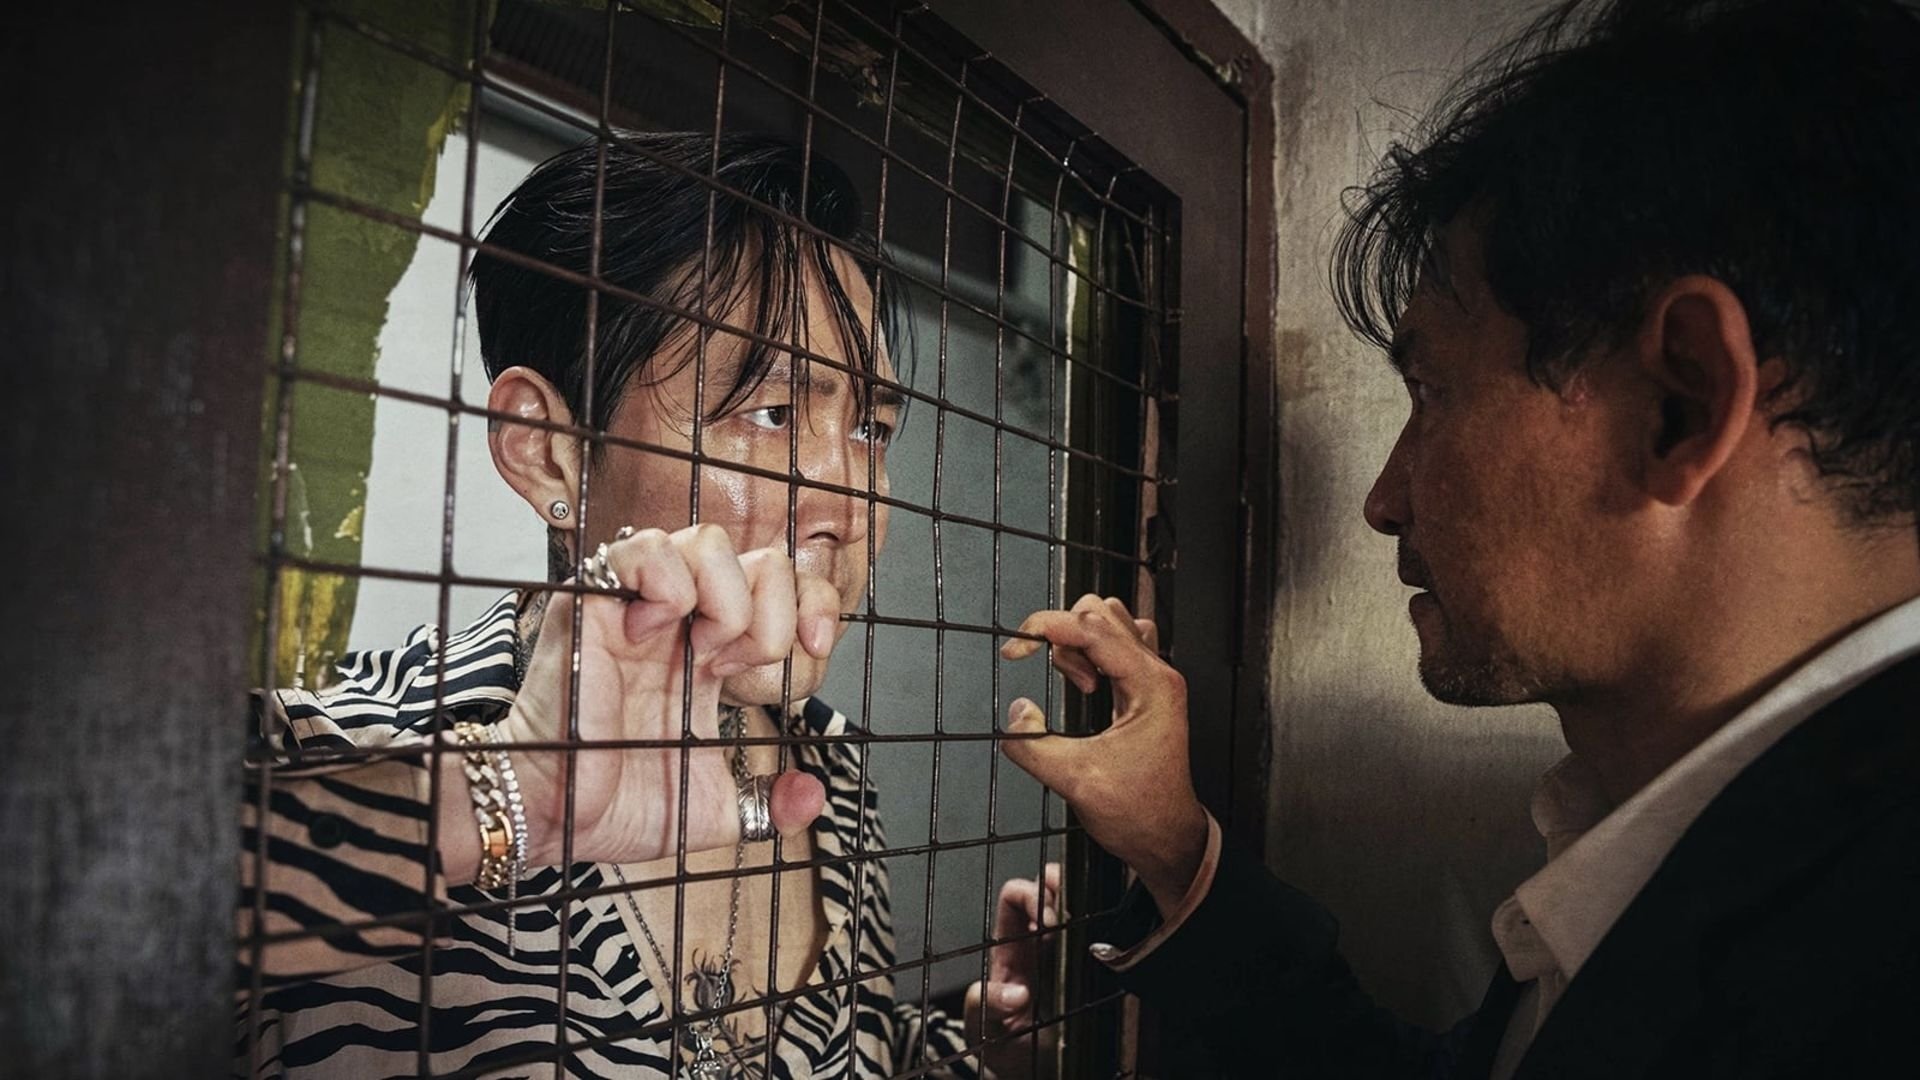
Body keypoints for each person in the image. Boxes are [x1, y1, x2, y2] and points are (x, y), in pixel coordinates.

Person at [988, 1, 1920, 1076]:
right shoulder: (1703, 841)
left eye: (1431, 390)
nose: (1384, 501)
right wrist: (1175, 849)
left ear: (1683, 400)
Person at [236, 132, 1053, 1078]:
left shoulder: (829, 778)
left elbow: (849, 1050)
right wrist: (510, 793)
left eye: (870, 429)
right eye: (772, 413)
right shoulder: (341, 751)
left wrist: (989, 1053)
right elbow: (104, 897)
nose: (850, 504)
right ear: (550, 452)